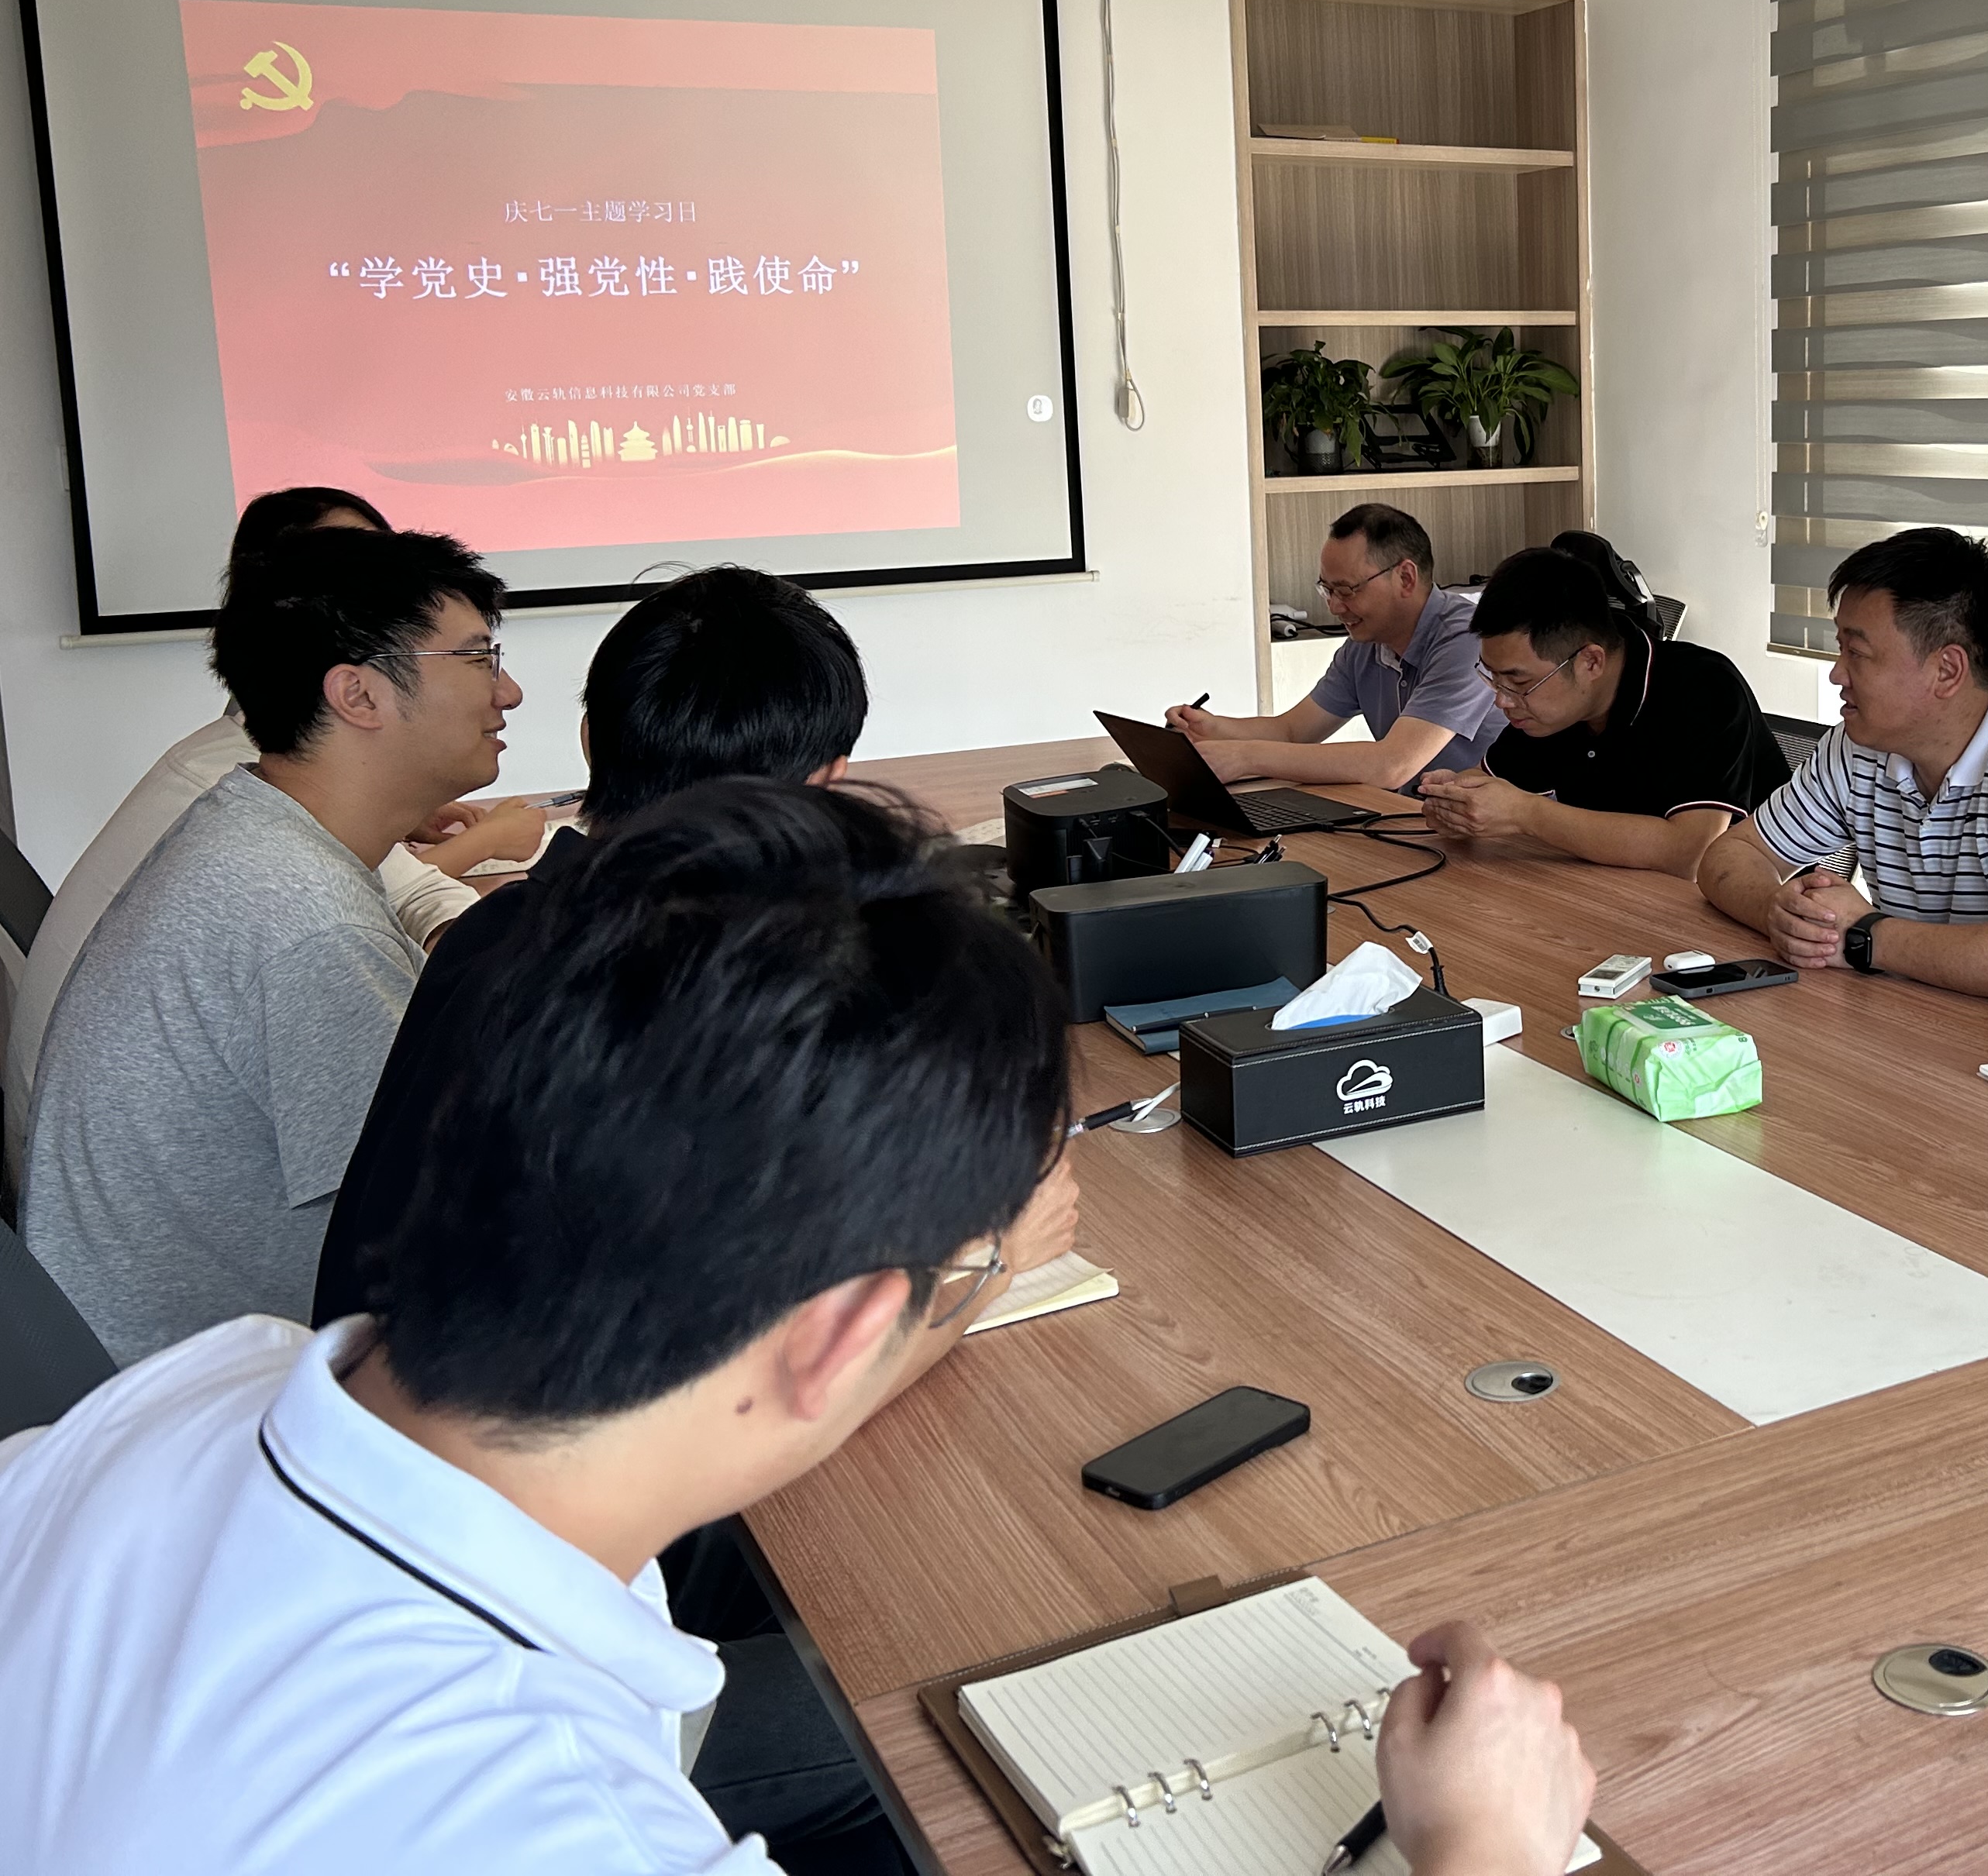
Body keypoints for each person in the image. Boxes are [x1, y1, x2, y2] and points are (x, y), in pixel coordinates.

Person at [0, 782, 1598, 1876]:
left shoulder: (202, 1387)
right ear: (839, 1334)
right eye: (965, 1266)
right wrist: (1481, 1854)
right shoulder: (553, 1829)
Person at [313, 563, 870, 1328]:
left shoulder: (496, 927)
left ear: (589, 743)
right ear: (824, 784)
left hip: (361, 1369)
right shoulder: (713, 998)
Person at [21, 525, 522, 1362]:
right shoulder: (305, 919)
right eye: (477, 659)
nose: (507, 692)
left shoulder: (259, 829)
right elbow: (443, 1218)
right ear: (359, 695)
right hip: (206, 1397)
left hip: (172, 1363)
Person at [1695, 527, 1988, 1001]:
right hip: (1930, 1005)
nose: (1836, 672)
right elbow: (1729, 856)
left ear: (1947, 671)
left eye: (1857, 653)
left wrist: (1866, 936)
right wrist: (1780, 912)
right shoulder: (1861, 744)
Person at [1418, 531, 1790, 874]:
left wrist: (1525, 814)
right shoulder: (1546, 710)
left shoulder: (1704, 688)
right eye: (1493, 678)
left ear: (1591, 662)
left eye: (1518, 681)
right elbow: (1491, 784)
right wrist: (1456, 801)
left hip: (1755, 903)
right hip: (1611, 889)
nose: (1501, 699)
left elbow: (1689, 854)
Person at [1169, 504, 1502, 790]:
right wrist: (1213, 728)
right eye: (1327, 590)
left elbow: (1392, 765)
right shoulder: (1365, 645)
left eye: (1346, 590)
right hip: (1415, 818)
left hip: (1492, 833)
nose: (1334, 607)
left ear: (1405, 578)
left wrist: (1245, 756)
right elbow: (1292, 731)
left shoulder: (1468, 639)